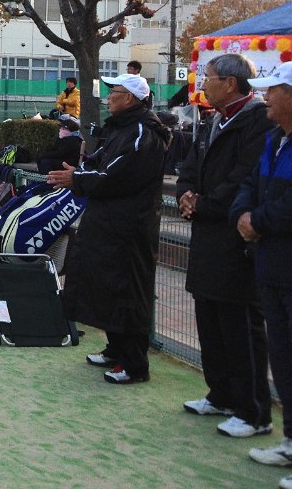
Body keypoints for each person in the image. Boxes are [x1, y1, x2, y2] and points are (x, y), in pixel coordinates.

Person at [48, 72, 168, 384]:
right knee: (106, 285)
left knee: (128, 290)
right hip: (108, 221)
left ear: (130, 98)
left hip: (130, 227)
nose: (109, 96)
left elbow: (117, 176)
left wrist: (77, 178)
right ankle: (115, 348)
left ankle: (134, 363)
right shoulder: (121, 127)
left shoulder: (142, 132)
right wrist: (80, 172)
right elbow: (98, 162)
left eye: (114, 91)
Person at [175, 53, 272, 437]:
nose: (203, 84)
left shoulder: (257, 121)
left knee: (240, 326)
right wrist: (185, 194)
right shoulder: (213, 119)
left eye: (209, 77)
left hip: (234, 238)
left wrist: (204, 204)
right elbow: (189, 167)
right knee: (209, 318)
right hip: (207, 236)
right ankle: (220, 394)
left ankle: (252, 411)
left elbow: (244, 177)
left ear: (230, 83)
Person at [232, 62, 292, 479]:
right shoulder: (274, 140)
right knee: (283, 359)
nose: (265, 97)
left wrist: (256, 220)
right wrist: (243, 215)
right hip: (272, 269)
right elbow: (249, 186)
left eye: (273, 90)